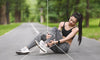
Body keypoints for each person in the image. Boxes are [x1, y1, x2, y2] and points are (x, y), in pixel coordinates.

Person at [16, 12, 83, 55]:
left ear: (76, 23)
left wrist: (54, 42)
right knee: (41, 35)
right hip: (56, 44)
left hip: (63, 48)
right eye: (71, 19)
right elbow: (57, 33)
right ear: (70, 17)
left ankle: (45, 45)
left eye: (73, 22)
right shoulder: (62, 23)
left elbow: (67, 39)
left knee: (54, 28)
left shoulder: (76, 29)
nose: (71, 22)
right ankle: (26, 49)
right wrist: (50, 36)